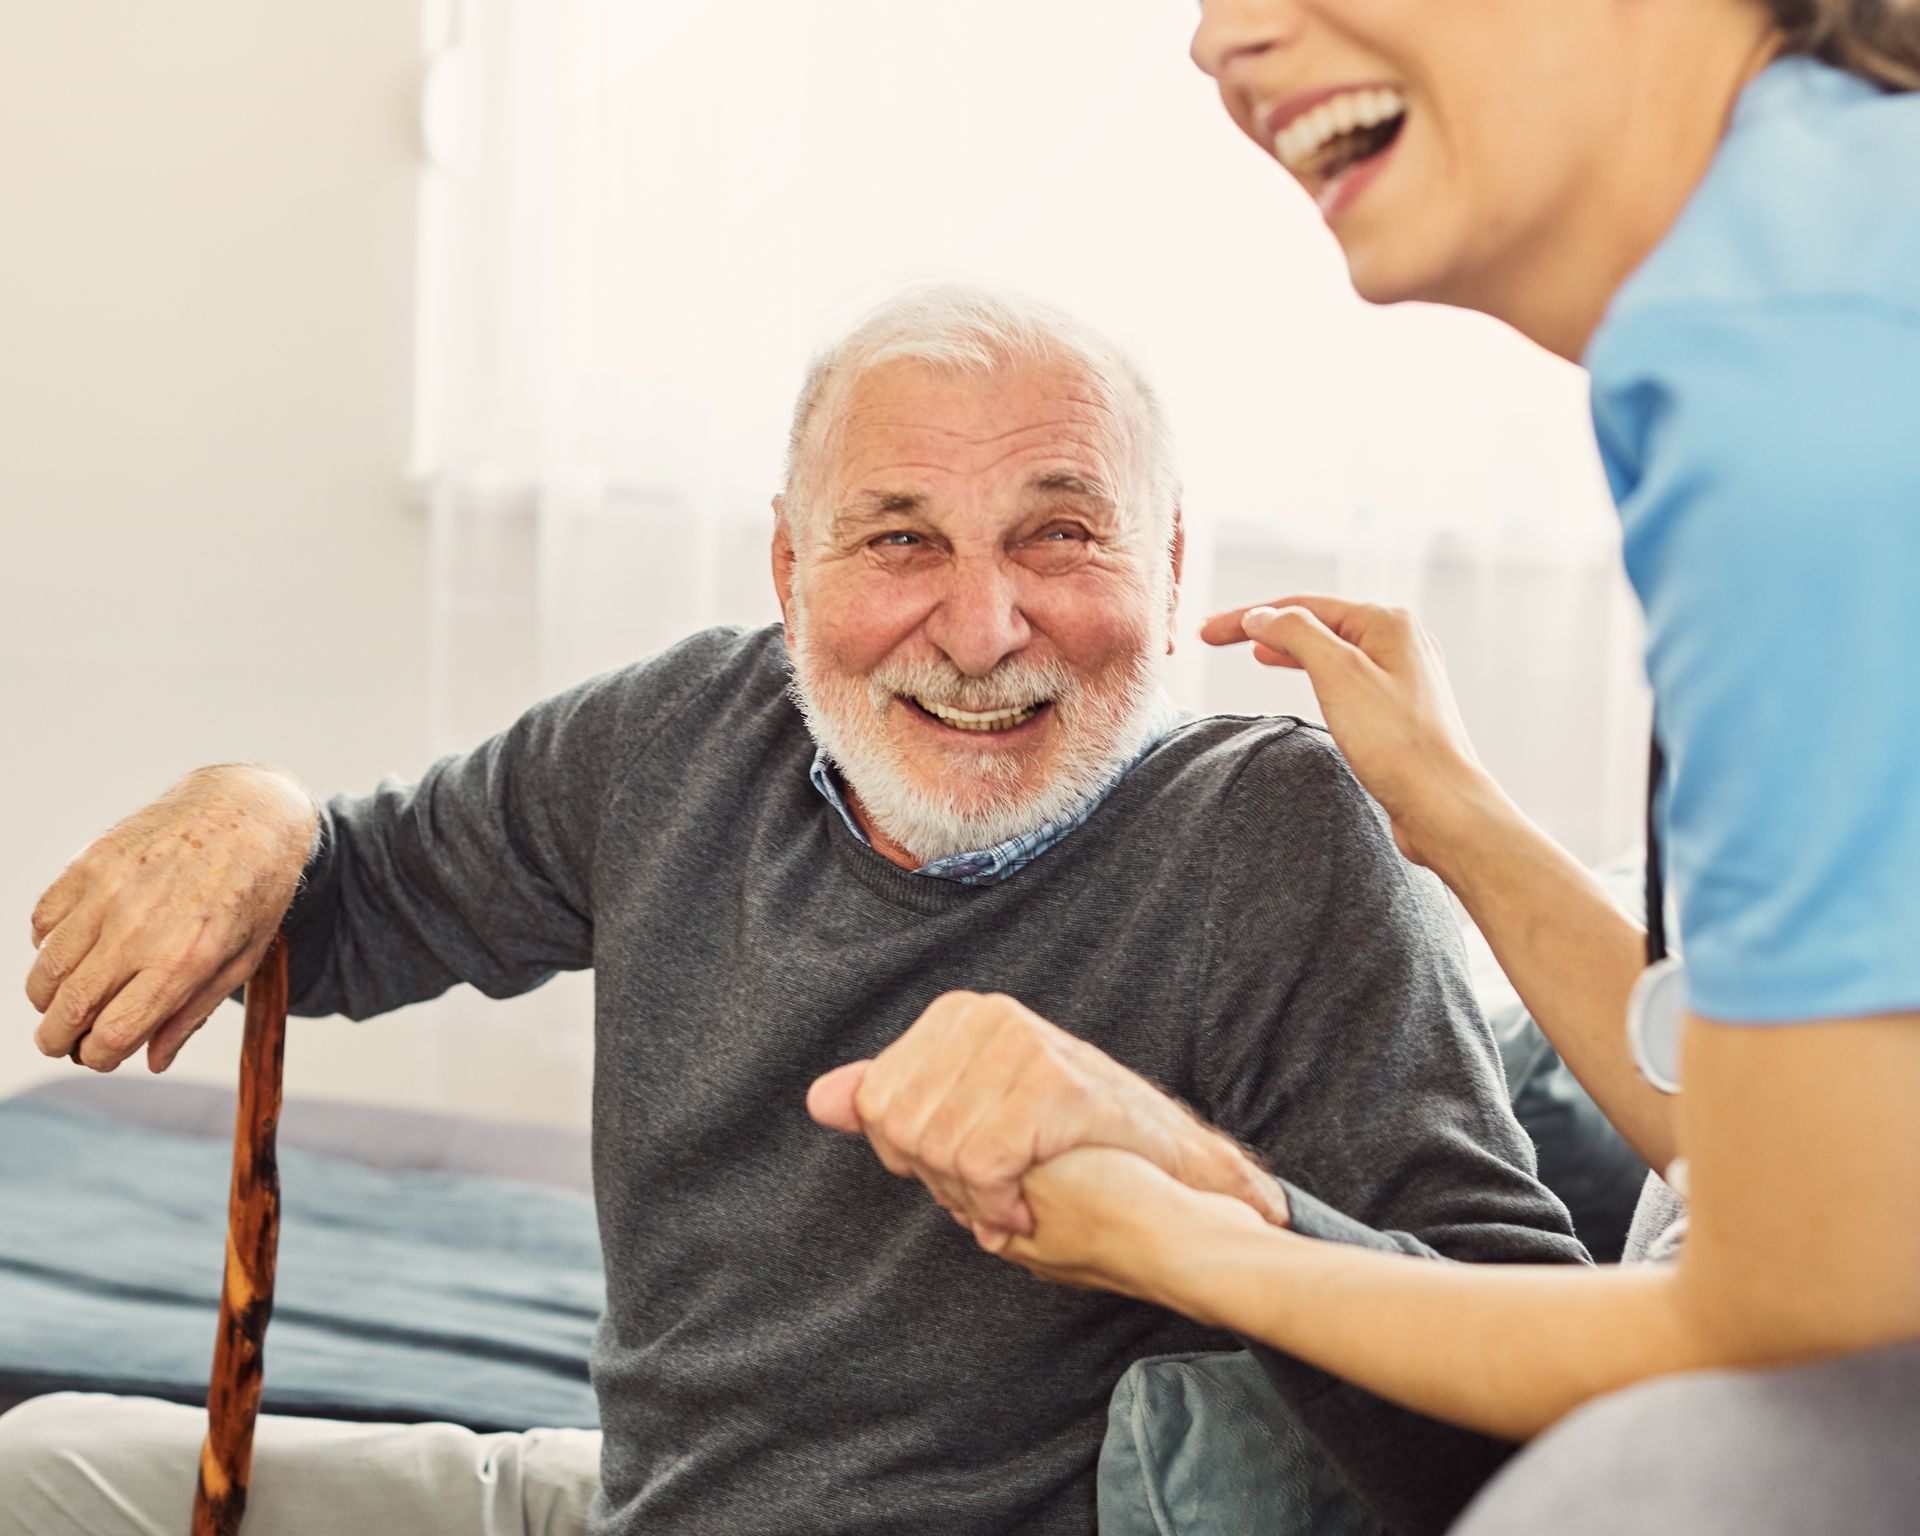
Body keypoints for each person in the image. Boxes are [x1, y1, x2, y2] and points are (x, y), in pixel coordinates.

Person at [0, 285, 1583, 1536]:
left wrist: (1204, 1190)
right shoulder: (679, 737)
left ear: (1169, 571)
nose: (979, 628)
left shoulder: (1270, 838)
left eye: (1060, 533)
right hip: (633, 1501)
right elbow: (344, 906)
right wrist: (256, 800)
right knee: (43, 1464)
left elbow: (1549, 1444)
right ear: (788, 566)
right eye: (901, 538)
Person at [822, 4, 1920, 1534]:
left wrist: (1185, 1227)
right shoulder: (1822, 255)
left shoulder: (1803, 359)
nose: (1221, 42)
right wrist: (1454, 814)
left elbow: (1802, 1311)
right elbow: (1792, 1177)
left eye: (1059, 532)